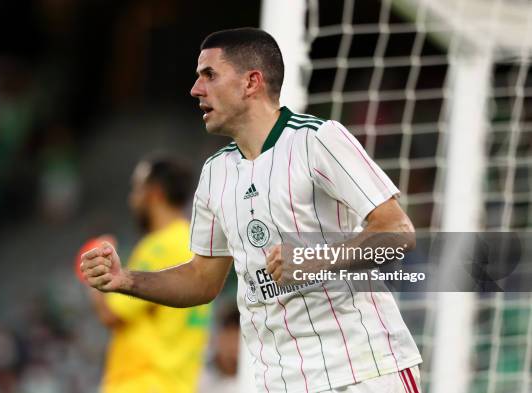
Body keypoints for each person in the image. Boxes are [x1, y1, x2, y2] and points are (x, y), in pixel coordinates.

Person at [81, 28, 423, 393]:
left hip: (362, 371)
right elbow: (201, 279)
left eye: (209, 75)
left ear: (251, 82)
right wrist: (126, 280)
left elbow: (398, 232)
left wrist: (315, 259)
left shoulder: (318, 139)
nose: (196, 89)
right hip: (279, 382)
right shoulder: (215, 172)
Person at [85, 156, 211, 393]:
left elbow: (112, 313)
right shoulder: (196, 244)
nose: (132, 199)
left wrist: (93, 270)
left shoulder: (157, 247)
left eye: (136, 189)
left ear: (154, 193)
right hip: (180, 383)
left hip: (141, 382)